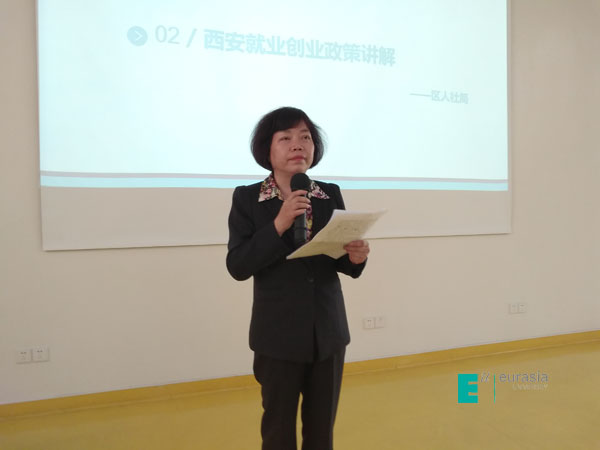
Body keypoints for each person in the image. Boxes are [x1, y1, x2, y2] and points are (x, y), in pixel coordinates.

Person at [226, 106, 370, 450]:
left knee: (321, 433)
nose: (298, 144)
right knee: (278, 432)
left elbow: (337, 259)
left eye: (305, 137)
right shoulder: (248, 198)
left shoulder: (328, 194)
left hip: (328, 333)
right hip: (277, 336)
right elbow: (238, 265)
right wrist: (279, 223)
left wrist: (356, 257)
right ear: (267, 149)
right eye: (286, 137)